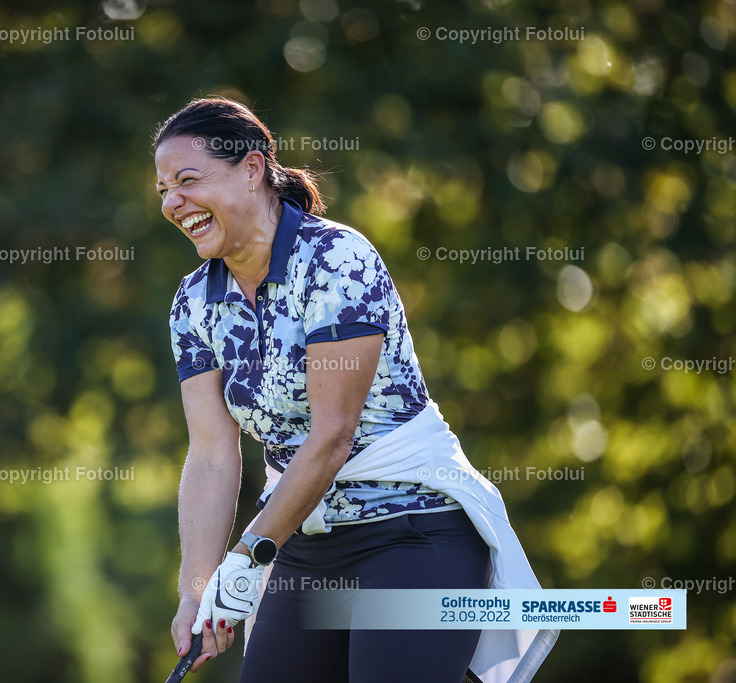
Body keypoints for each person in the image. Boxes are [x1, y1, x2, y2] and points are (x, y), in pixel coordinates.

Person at [153, 97, 555, 682]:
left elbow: (332, 434)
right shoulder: (193, 304)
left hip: (414, 537)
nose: (172, 202)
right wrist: (198, 589)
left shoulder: (336, 259)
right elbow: (213, 454)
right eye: (163, 189)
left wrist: (247, 555)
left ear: (253, 169)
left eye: (188, 180)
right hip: (306, 549)